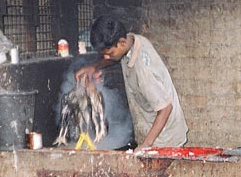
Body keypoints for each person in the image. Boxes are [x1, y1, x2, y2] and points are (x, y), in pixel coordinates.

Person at [76, 15, 188, 148]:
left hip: (164, 139)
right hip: (150, 128)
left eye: (110, 53)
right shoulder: (131, 40)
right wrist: (94, 66)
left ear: (122, 43)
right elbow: (114, 57)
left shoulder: (144, 71)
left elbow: (165, 108)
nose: (107, 57)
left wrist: (146, 145)